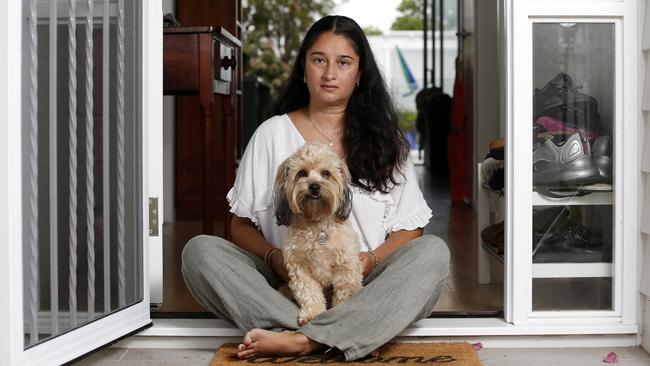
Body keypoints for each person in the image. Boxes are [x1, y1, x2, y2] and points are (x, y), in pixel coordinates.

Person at [181, 15, 450, 361]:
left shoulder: (387, 141)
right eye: (319, 60)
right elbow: (239, 225)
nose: (329, 73)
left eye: (343, 62)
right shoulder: (271, 134)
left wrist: (370, 260)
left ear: (360, 74)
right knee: (200, 253)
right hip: (287, 283)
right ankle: (354, 333)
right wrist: (275, 258)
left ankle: (300, 340)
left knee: (432, 254)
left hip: (365, 282)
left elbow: (412, 228)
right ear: (304, 68)